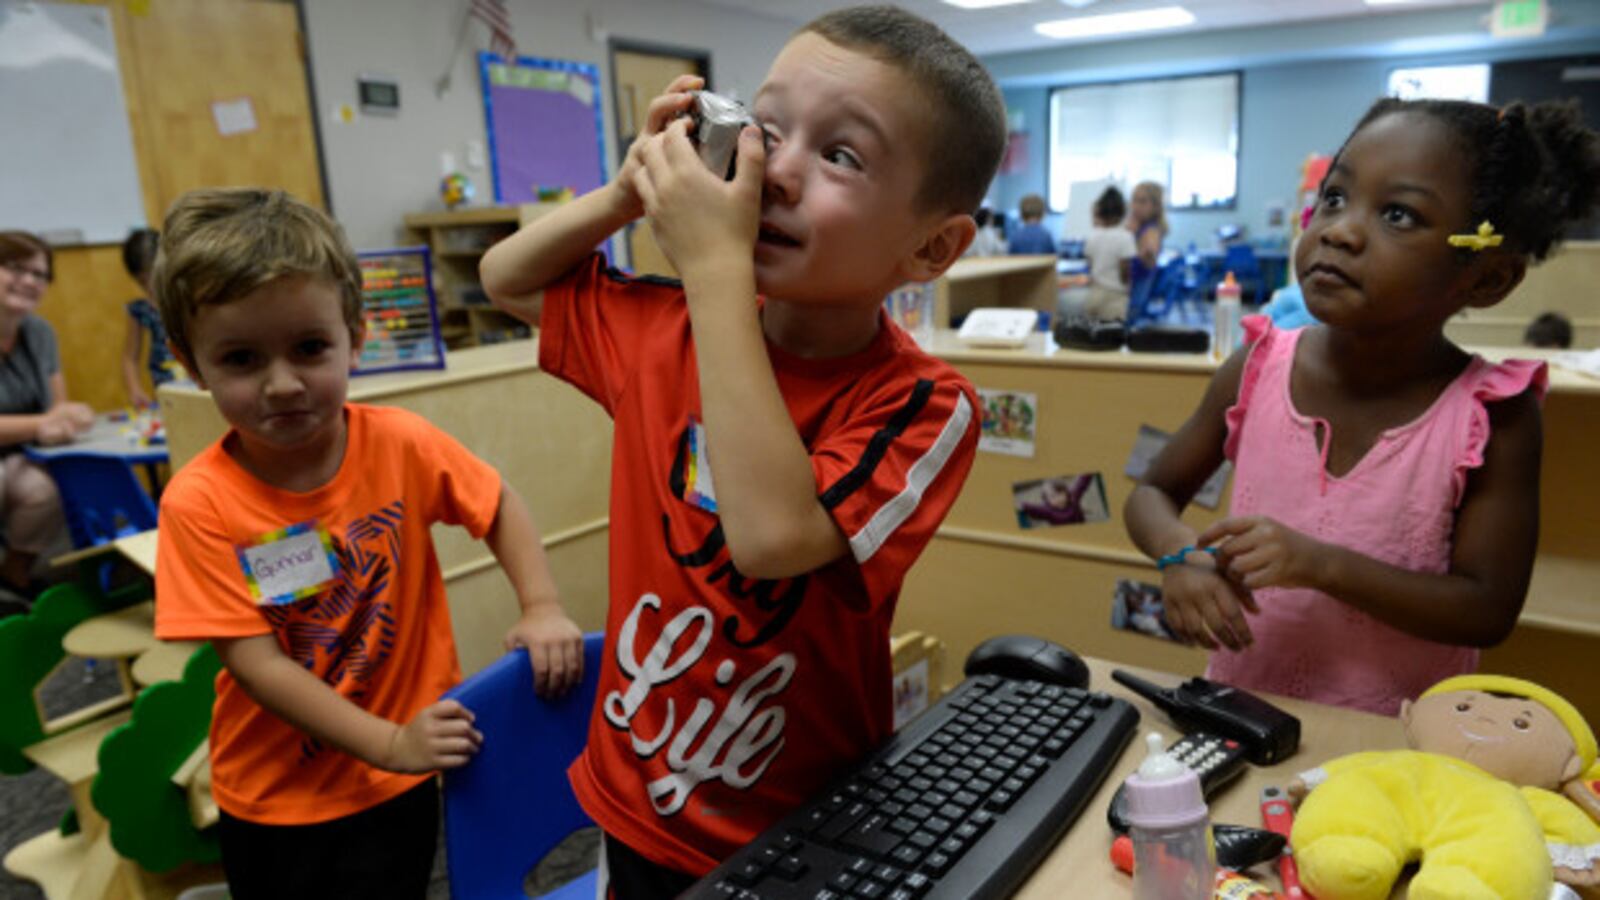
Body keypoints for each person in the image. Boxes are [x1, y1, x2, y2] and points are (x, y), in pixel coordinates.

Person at [479, 5, 1000, 892]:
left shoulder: (922, 404)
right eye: (766, 129)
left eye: (841, 154)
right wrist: (624, 196)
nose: (776, 172)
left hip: (808, 823)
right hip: (635, 799)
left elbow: (772, 536)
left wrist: (714, 266)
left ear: (931, 247)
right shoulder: (664, 329)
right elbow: (506, 279)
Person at [148, 188, 584, 899]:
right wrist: (389, 742)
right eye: (241, 359)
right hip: (275, 799)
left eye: (310, 348)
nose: (283, 384)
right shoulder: (201, 503)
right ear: (191, 364)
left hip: (394, 779)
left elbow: (497, 501)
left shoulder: (401, 443)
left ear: (355, 332)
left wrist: (540, 604)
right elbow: (257, 666)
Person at [1124, 96, 1600, 716]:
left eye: (1398, 214)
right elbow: (1150, 493)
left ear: (1485, 280)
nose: (1340, 230)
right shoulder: (1258, 368)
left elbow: (1486, 610)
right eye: (1334, 197)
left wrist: (1321, 564)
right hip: (1245, 712)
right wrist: (1180, 557)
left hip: (1396, 745)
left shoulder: (1491, 415)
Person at [0, 230, 93, 609]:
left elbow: (59, 405)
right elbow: (47, 419)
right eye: (14, 267)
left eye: (39, 274)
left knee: (52, 485)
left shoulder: (40, 332)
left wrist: (69, 418)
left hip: (22, 454)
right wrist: (42, 424)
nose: (29, 280)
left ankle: (14, 575)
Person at [120, 227, 177, 408]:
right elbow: (130, 357)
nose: (150, 287)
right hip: (165, 383)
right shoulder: (140, 310)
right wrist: (135, 389)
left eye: (153, 277)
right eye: (142, 282)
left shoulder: (187, 300)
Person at [1082, 186, 1138, 320]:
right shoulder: (1126, 237)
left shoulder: (1092, 236)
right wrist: (1129, 287)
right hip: (1116, 296)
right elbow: (1125, 270)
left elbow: (1090, 266)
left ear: (1100, 212)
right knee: (1112, 336)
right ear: (1123, 212)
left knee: (1091, 335)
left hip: (1094, 293)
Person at [1125, 181, 1168, 308]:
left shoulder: (1151, 231)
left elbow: (1148, 258)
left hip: (1132, 300)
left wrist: (1129, 236)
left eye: (1142, 202)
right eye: (1134, 200)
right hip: (1130, 294)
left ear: (1156, 207)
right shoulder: (1140, 227)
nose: (1135, 206)